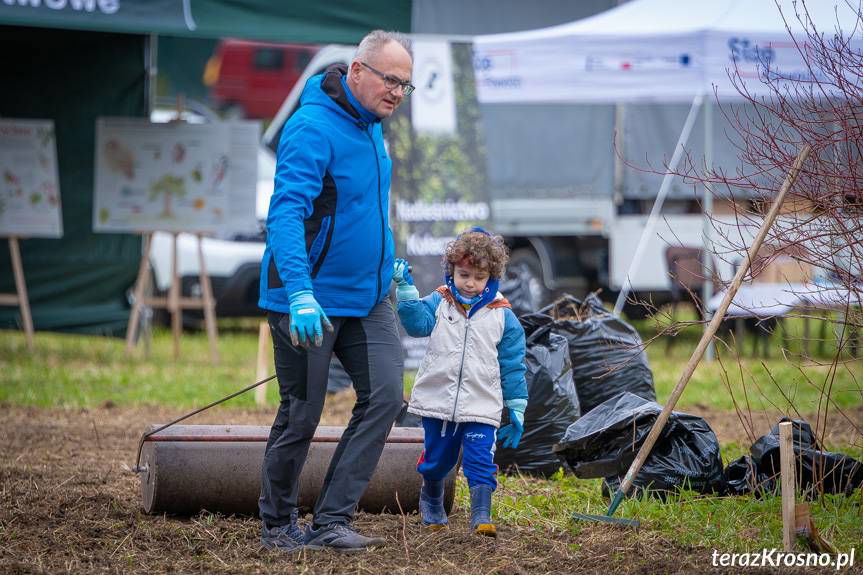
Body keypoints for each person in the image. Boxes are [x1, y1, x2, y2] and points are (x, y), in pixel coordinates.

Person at [257, 30, 415, 553]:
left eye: (405, 85)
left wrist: (389, 264)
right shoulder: (311, 128)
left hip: (368, 299)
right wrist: (300, 293)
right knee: (301, 415)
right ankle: (278, 526)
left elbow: (361, 210)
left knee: (387, 396)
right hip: (309, 302)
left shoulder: (372, 129)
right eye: (390, 80)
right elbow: (285, 215)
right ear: (356, 71)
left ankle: (331, 521)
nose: (396, 92)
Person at [392, 228, 528, 537]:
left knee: (481, 460)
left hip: (482, 403)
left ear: (491, 277)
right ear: (451, 270)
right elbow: (416, 325)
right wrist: (406, 288)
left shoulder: (502, 315)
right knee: (438, 461)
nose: (470, 283)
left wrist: (517, 406)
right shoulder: (440, 302)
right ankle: (432, 498)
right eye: (464, 274)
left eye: (479, 277)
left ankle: (481, 513)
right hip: (439, 402)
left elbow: (513, 365)